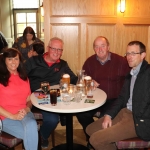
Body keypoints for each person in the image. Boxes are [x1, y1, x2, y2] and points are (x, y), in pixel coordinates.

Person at [86, 40, 150, 150]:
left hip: (139, 120)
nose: (129, 57)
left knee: (95, 140)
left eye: (133, 53)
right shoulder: (131, 74)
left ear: (143, 55)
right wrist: (108, 115)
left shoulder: (147, 73)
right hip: (125, 112)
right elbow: (121, 98)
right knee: (90, 130)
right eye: (128, 54)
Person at [76, 36, 130, 144]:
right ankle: (90, 136)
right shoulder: (90, 61)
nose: (100, 49)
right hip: (95, 99)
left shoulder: (121, 61)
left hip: (114, 100)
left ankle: (98, 140)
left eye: (103, 46)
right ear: (94, 49)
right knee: (81, 113)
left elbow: (132, 78)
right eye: (97, 47)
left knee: (103, 118)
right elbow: (82, 78)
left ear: (108, 47)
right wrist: (89, 81)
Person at [25, 37, 77, 148]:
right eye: (54, 49)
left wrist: (84, 80)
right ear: (48, 48)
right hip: (34, 98)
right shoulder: (34, 61)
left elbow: (73, 78)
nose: (57, 52)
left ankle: (41, 135)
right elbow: (21, 77)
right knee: (53, 119)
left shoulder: (62, 64)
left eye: (60, 50)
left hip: (53, 98)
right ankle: (41, 137)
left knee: (57, 116)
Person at [0, 48, 38, 150]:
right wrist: (13, 116)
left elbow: (29, 100)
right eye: (10, 59)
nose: (13, 62)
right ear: (4, 61)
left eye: (16, 59)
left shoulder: (24, 77)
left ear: (20, 61)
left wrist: (27, 108)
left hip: (24, 113)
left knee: (31, 125)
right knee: (32, 134)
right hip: (5, 117)